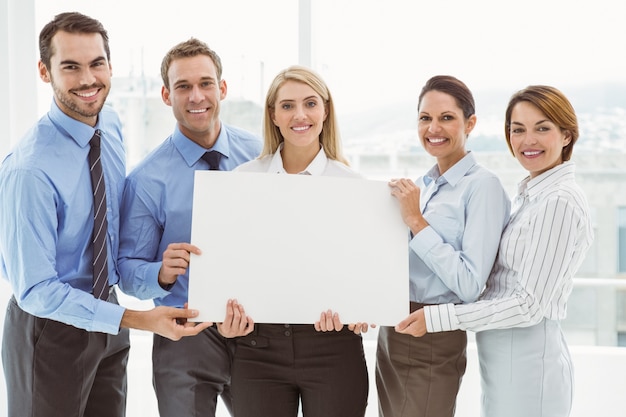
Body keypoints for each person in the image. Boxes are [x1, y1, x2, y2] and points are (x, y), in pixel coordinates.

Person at [0, 12, 211, 417]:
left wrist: (153, 281)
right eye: (71, 67)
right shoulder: (29, 171)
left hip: (107, 323)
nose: (87, 79)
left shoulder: (110, 126)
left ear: (111, 66)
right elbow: (36, 290)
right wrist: (138, 319)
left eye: (96, 63)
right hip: (50, 330)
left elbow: (111, 236)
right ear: (45, 72)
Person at [402, 85, 594, 417]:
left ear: (566, 136)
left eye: (542, 128)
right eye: (518, 129)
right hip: (505, 362)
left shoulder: (559, 201)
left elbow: (529, 305)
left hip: (529, 364)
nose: (527, 140)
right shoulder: (531, 196)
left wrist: (439, 317)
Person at [117, 38, 261, 417]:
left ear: (222, 88)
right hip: (185, 332)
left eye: (205, 83)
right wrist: (160, 273)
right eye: (183, 86)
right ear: (167, 95)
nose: (196, 96)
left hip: (257, 326)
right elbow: (127, 269)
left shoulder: (261, 156)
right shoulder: (146, 179)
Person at [230, 65, 369, 417]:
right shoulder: (243, 181)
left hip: (333, 347)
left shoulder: (355, 188)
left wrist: (364, 309)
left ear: (325, 111)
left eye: (310, 103)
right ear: (273, 115)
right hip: (257, 347)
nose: (300, 115)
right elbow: (230, 264)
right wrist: (223, 317)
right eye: (288, 106)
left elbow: (364, 275)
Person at [375, 75, 511, 417]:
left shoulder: (483, 188)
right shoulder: (423, 185)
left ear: (470, 123)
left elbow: (469, 285)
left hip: (431, 337)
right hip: (393, 330)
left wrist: (416, 222)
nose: (434, 128)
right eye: (425, 118)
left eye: (446, 118)